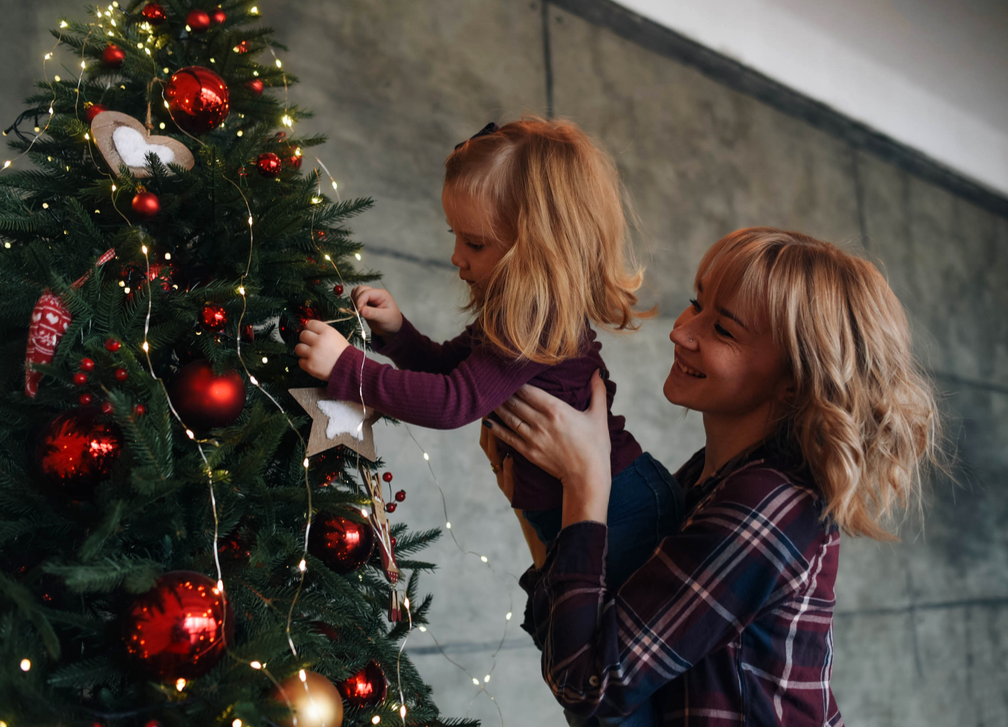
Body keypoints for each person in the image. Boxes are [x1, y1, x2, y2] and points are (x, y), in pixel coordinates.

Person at [294, 119, 682, 724]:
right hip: (590, 506)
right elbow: (458, 372)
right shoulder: (517, 315)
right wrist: (399, 336)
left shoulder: (539, 321)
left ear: (540, 248)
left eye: (474, 243)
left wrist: (351, 372)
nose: (456, 257)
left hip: (624, 508)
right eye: (455, 236)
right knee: (592, 671)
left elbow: (454, 403)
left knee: (611, 686)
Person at [481, 227, 946, 726]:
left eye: (723, 330)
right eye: (694, 303)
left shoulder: (768, 503)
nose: (681, 332)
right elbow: (602, 679)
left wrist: (584, 482)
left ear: (794, 381)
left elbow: (587, 686)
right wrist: (538, 499)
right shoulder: (703, 481)